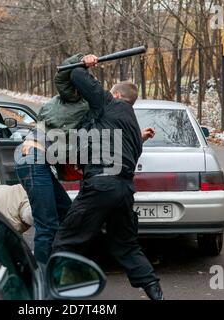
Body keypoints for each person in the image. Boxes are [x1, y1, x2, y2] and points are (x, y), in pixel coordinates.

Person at [52, 54, 164, 300]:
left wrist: (86, 62)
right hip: (124, 190)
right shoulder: (133, 126)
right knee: (126, 245)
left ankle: (55, 295)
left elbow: (76, 75)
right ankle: (155, 291)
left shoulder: (108, 104)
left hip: (101, 185)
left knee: (66, 241)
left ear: (115, 95)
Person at [15, 54, 90, 265]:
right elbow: (62, 75)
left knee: (66, 211)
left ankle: (60, 263)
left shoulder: (71, 103)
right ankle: (43, 277)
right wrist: (81, 58)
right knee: (46, 224)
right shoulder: (72, 99)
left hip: (36, 161)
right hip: (32, 160)